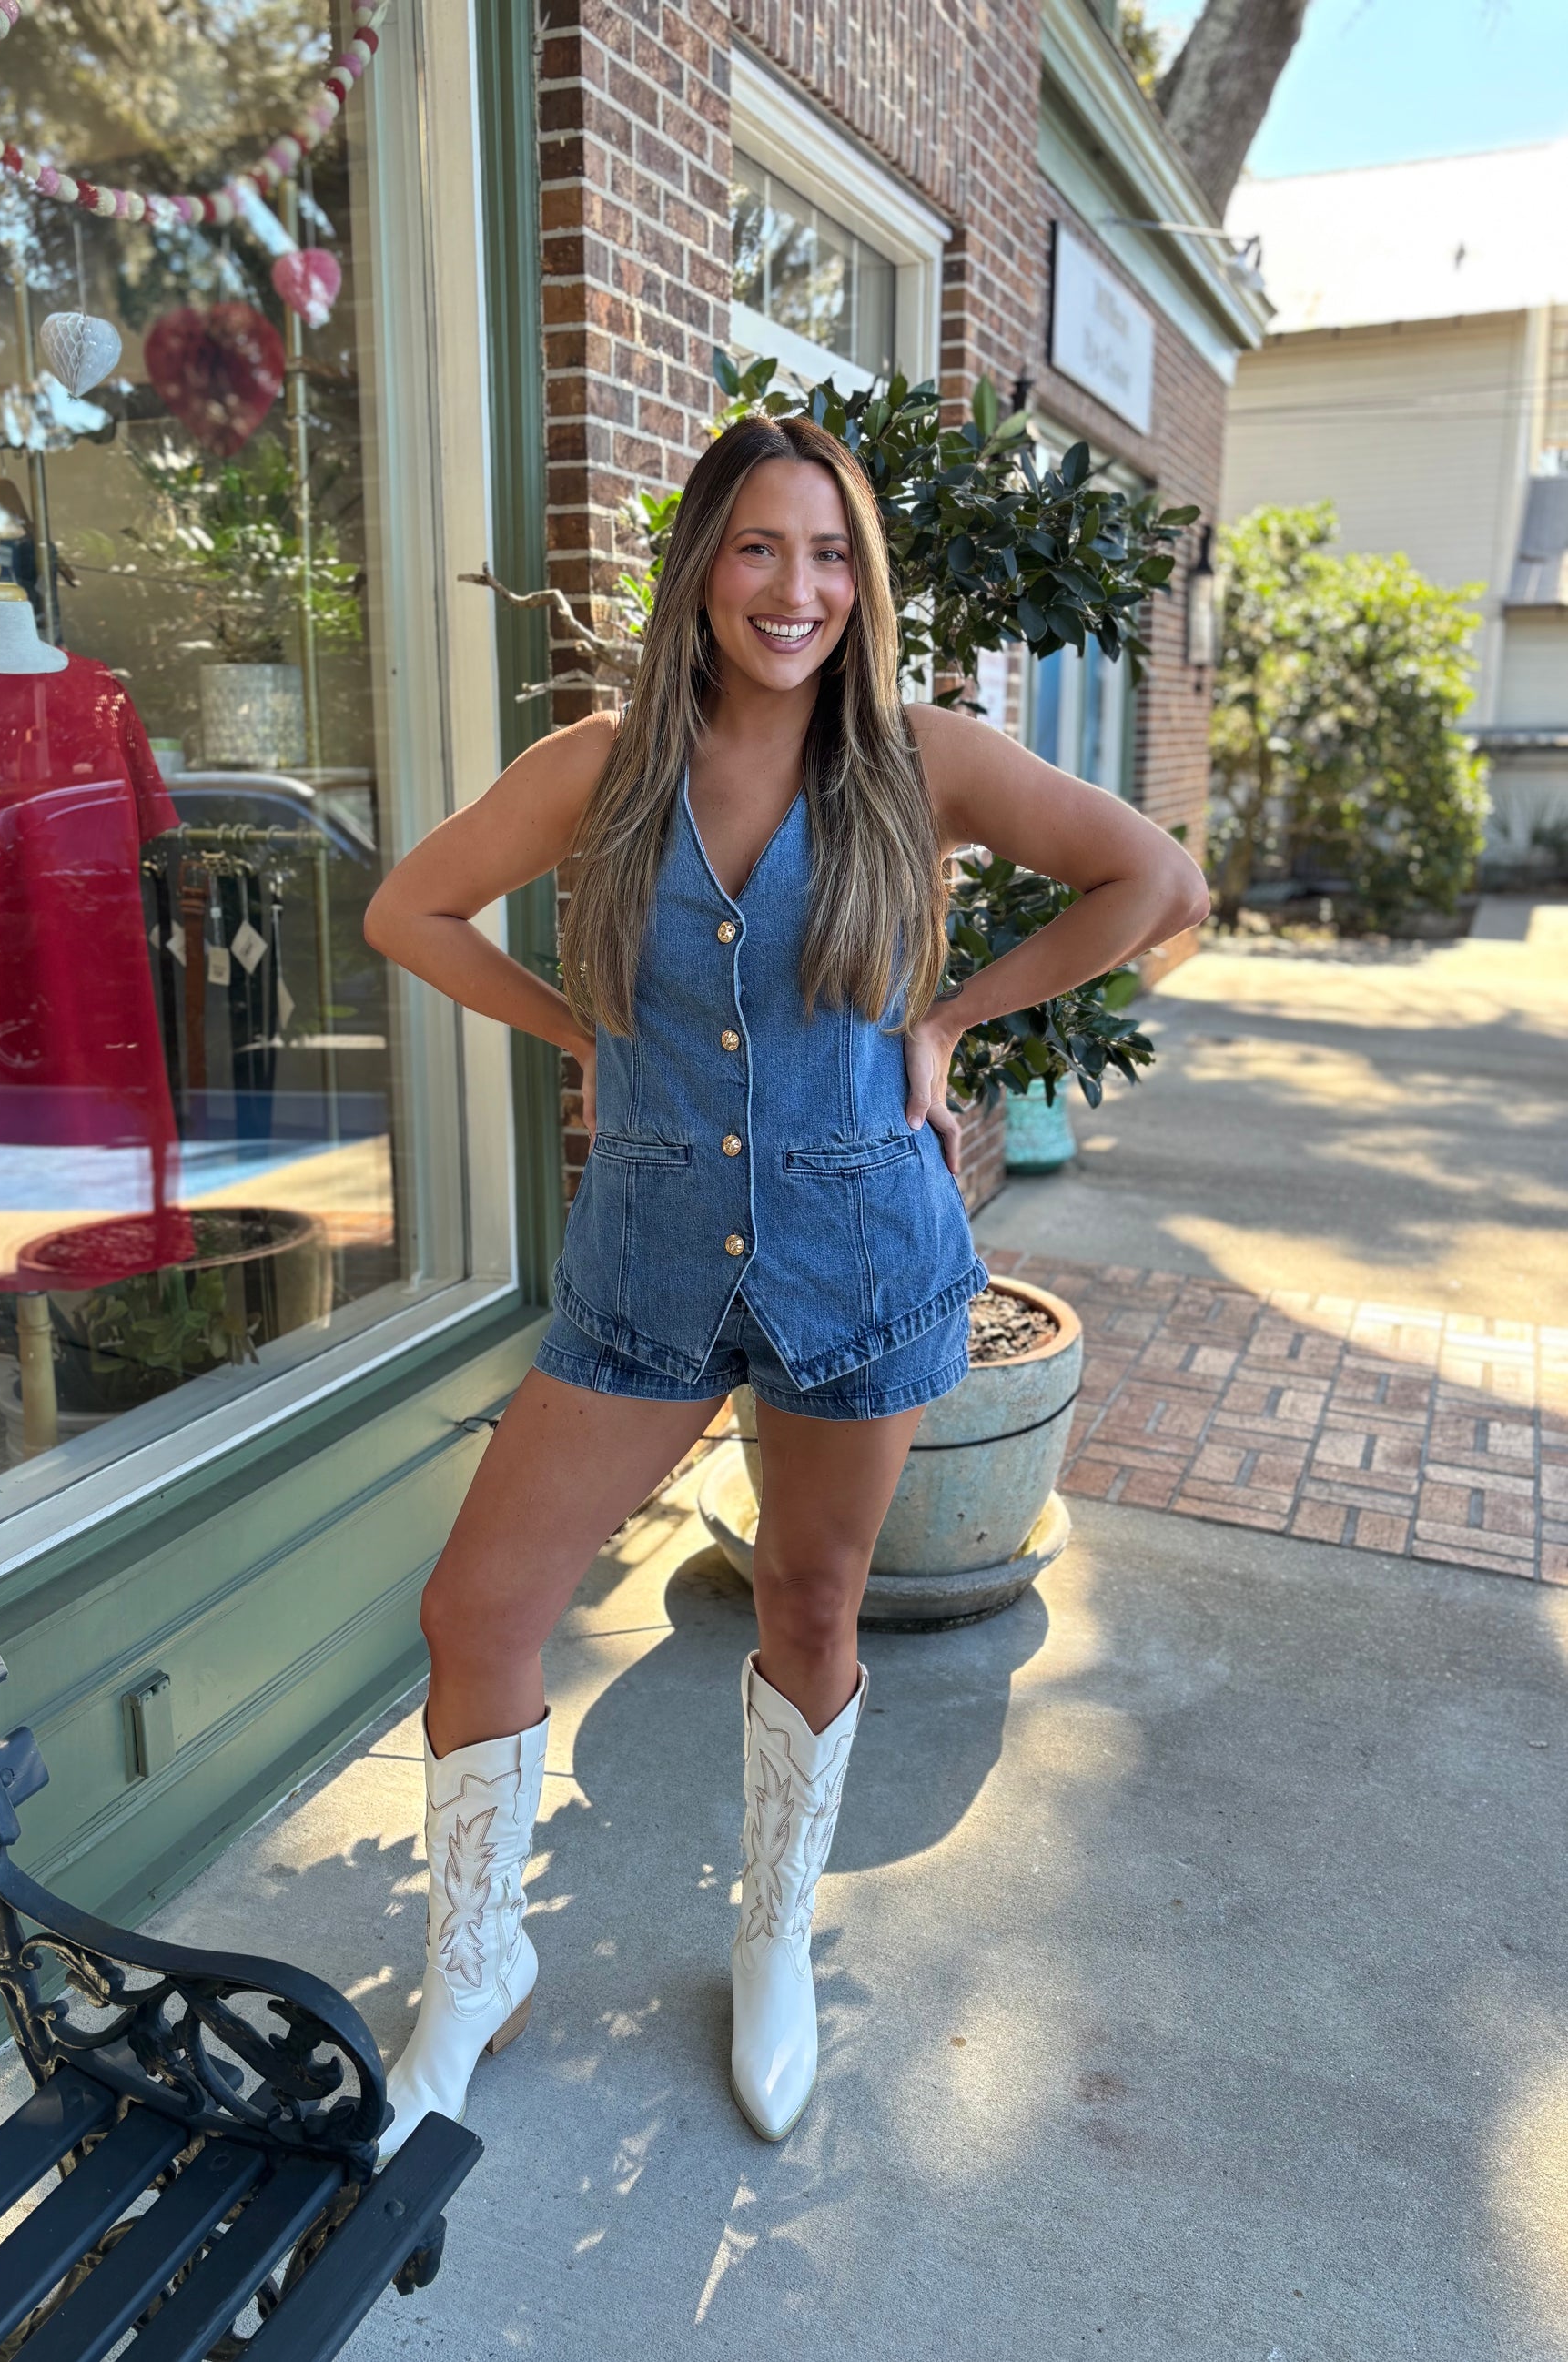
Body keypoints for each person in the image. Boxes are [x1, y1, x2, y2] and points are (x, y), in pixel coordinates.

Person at [362, 413, 1209, 2153]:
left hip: (866, 1256)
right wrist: (580, 1025)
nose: (794, 588)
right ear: (701, 569)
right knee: (479, 1606)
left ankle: (772, 1944)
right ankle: (476, 1962)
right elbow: (410, 912)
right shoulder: (603, 764)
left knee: (812, 1603)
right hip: (644, 1262)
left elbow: (1155, 878)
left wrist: (956, 1014)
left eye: (828, 554)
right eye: (758, 547)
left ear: (860, 581)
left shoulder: (919, 760)